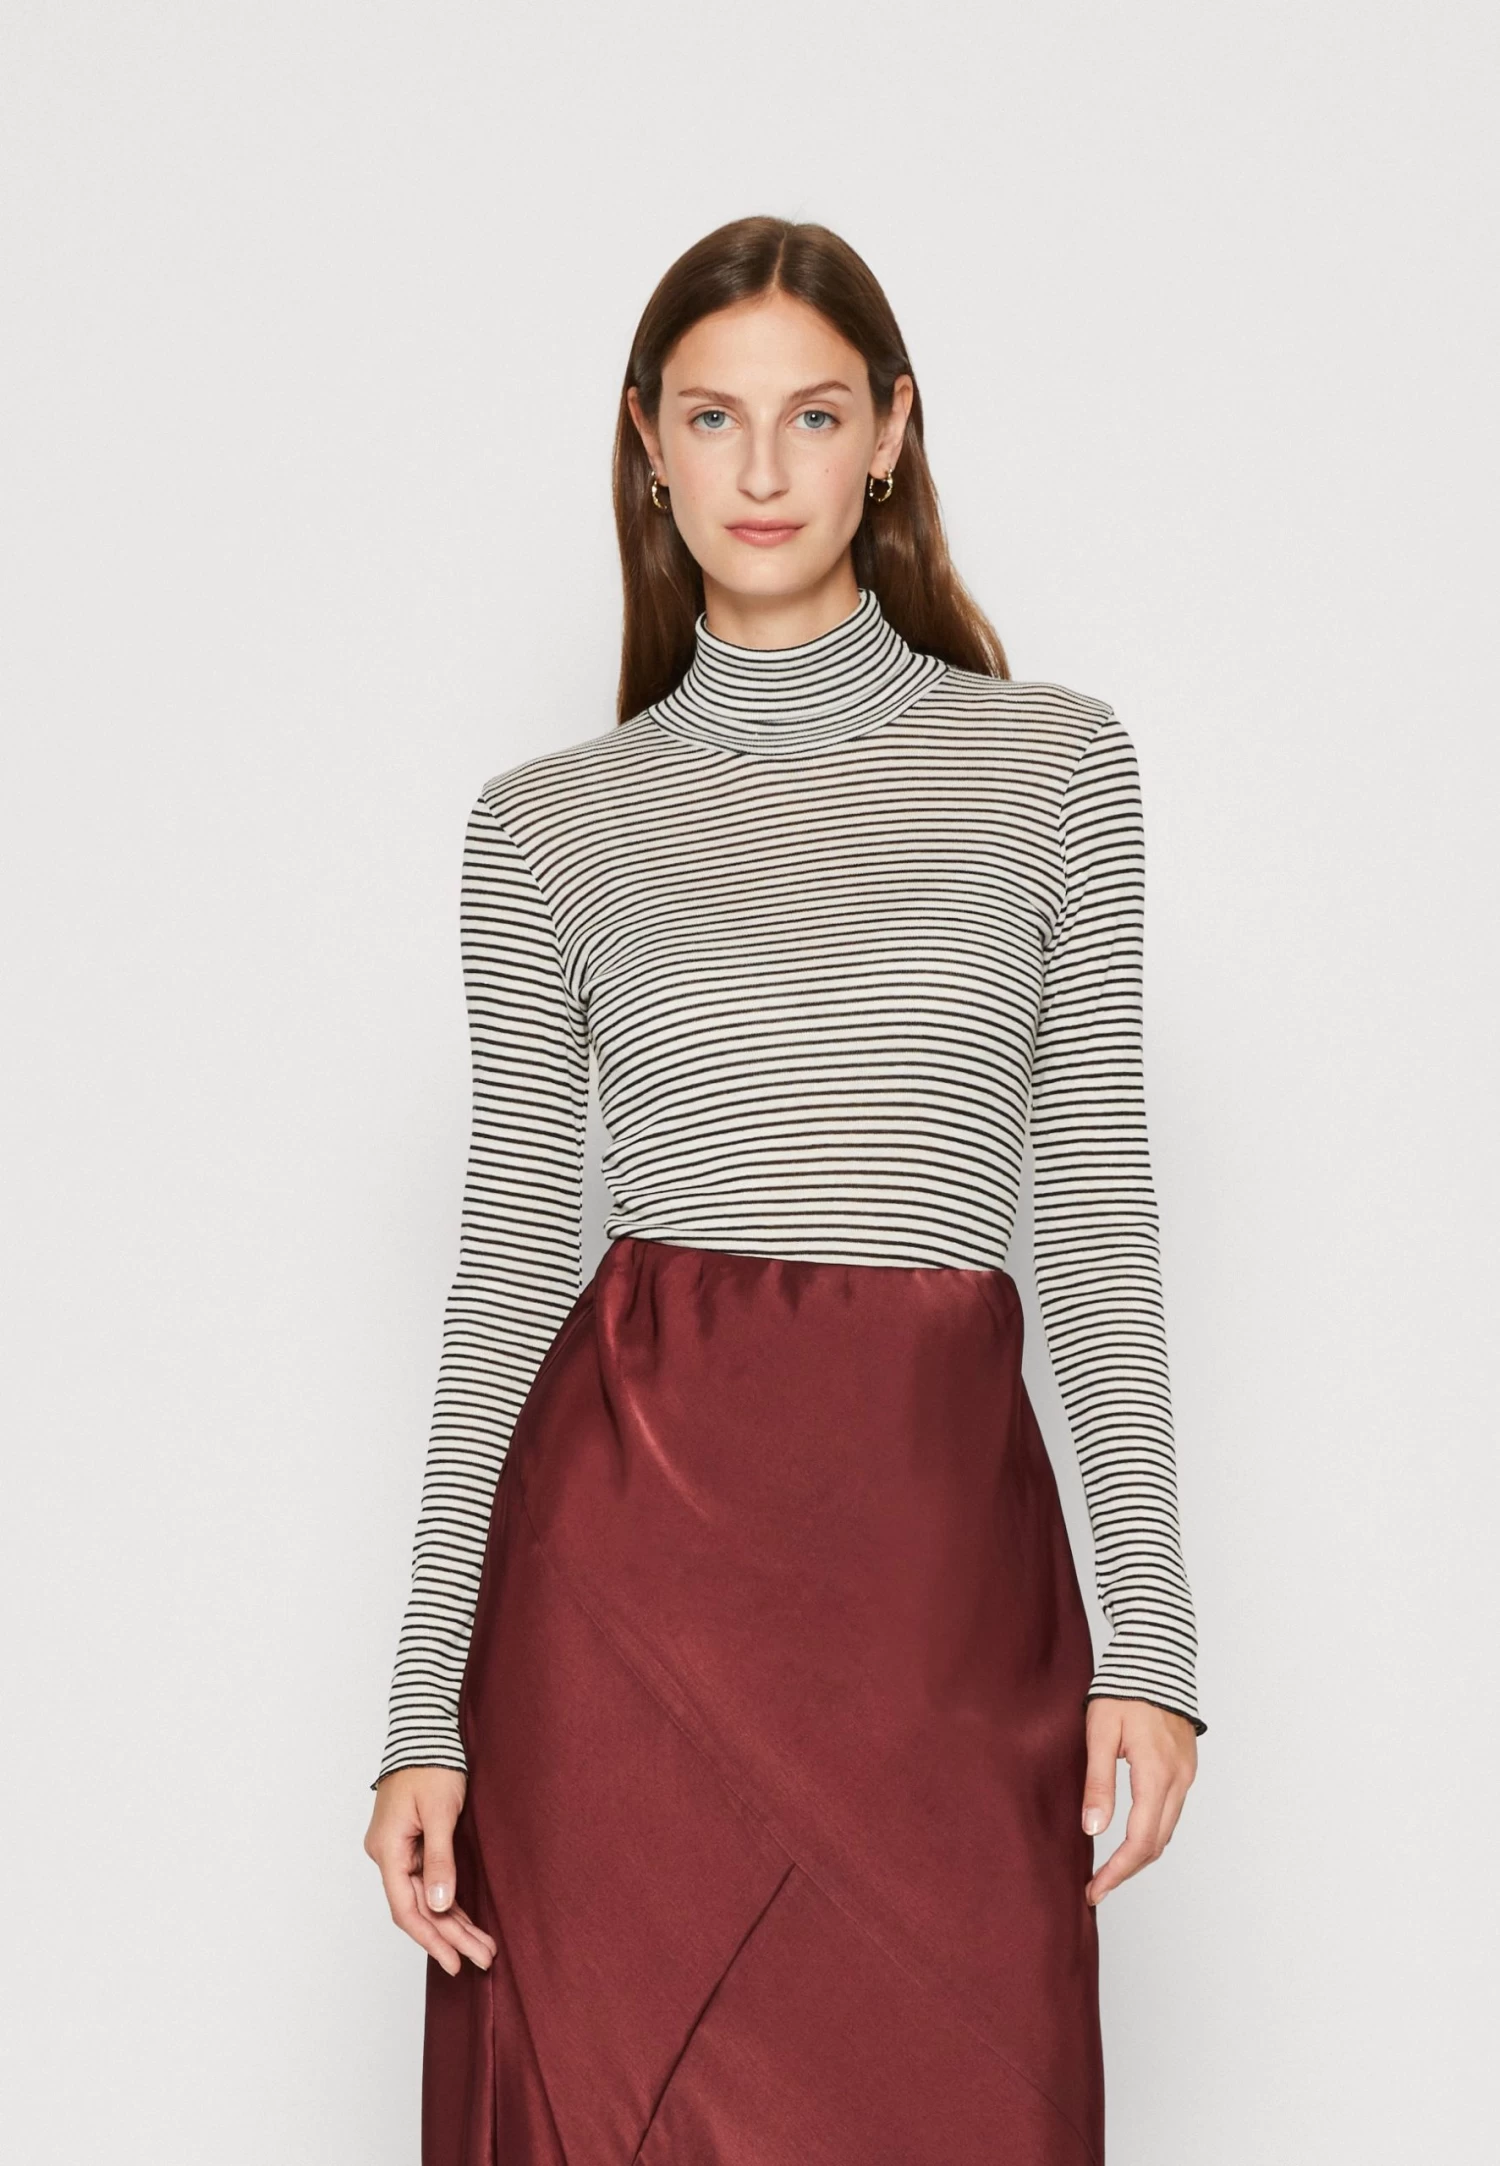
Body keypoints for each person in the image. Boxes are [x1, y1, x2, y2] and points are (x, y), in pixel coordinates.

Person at [363, 212, 1203, 2165]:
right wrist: (421, 1708)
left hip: (935, 1595)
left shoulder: (1054, 770)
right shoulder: (544, 828)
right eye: (712, 417)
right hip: (621, 1608)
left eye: (813, 415)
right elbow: (509, 1261)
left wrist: (1153, 1645)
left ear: (891, 433)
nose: (761, 468)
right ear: (645, 443)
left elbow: (1094, 1205)